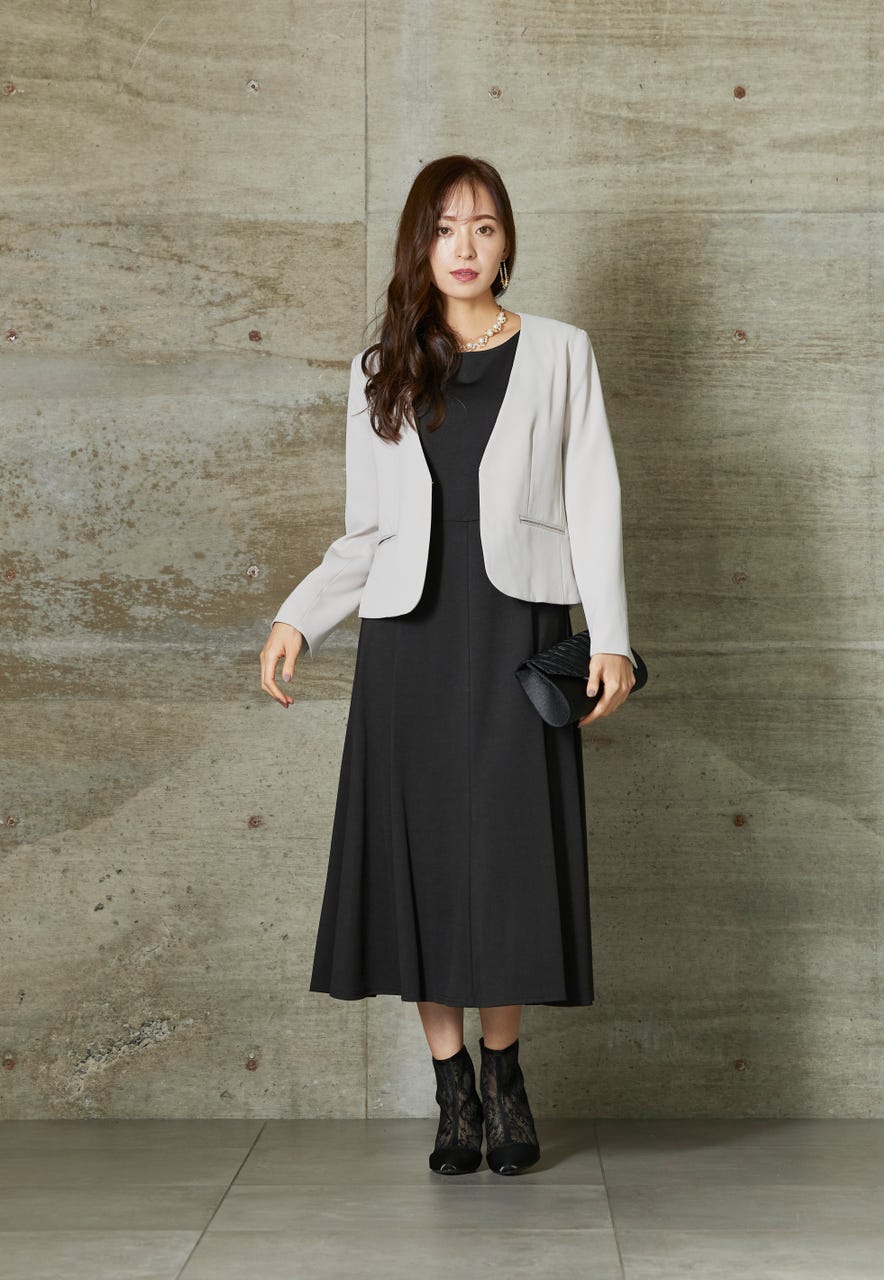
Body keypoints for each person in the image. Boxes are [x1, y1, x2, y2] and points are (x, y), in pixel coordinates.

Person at [259, 155, 635, 1177]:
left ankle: (505, 1075)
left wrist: (610, 634)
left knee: (507, 855)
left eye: (484, 227)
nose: (464, 247)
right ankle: (452, 1088)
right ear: (420, 244)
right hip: (410, 640)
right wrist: (299, 617)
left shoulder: (561, 351)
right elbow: (366, 530)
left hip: (518, 627)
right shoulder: (380, 367)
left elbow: (594, 498)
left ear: (506, 242)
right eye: (445, 228)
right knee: (421, 859)